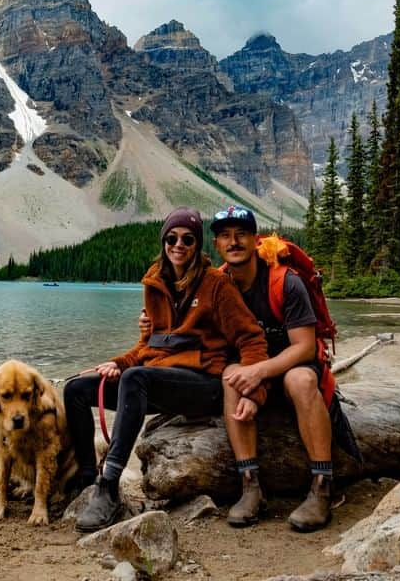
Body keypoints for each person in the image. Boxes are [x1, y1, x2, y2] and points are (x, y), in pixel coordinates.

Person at [64, 207, 269, 533]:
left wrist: (254, 392)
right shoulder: (156, 281)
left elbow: (252, 340)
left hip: (206, 383)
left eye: (188, 239)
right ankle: (88, 480)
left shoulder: (216, 285)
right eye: (172, 238)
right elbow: (151, 345)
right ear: (164, 241)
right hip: (159, 380)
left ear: (198, 245)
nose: (179, 245)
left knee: (136, 378)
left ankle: (109, 486)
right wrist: (118, 363)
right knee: (76, 390)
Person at [211, 204, 345, 531]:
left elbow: (303, 346)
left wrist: (258, 373)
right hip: (255, 370)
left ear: (255, 239)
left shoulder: (284, 282)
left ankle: (322, 487)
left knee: (299, 380)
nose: (234, 242)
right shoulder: (218, 285)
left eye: (241, 234)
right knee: (231, 377)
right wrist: (149, 327)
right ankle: (250, 486)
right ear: (216, 245)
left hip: (292, 365)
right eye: (225, 236)